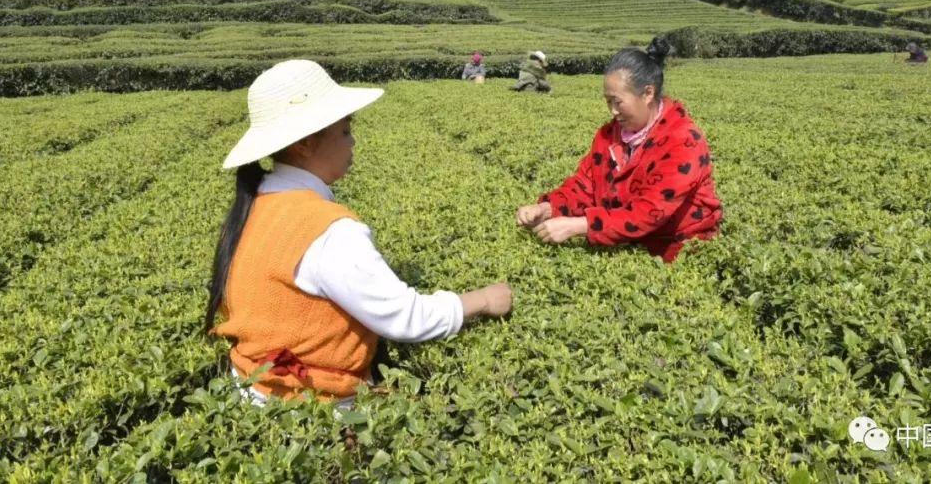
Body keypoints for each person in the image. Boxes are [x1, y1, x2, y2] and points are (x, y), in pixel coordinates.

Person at [206, 60, 512, 407]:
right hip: (310, 408)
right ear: (306, 143)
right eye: (346, 130)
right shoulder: (329, 230)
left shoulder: (258, 203)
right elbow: (406, 318)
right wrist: (484, 300)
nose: (353, 142)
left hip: (252, 387)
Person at [515, 37, 721, 262]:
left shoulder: (683, 140)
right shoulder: (608, 135)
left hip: (678, 250)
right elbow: (586, 185)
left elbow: (648, 212)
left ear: (647, 93)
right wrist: (549, 208)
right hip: (626, 243)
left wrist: (580, 225)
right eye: (607, 102)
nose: (612, 111)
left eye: (617, 101)